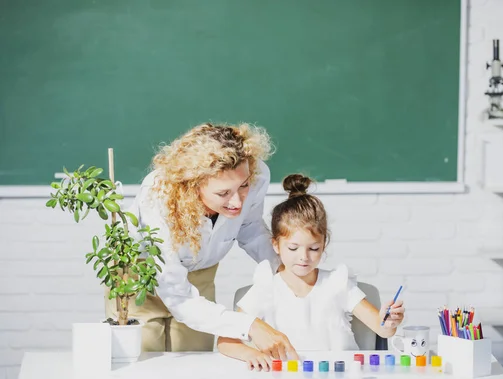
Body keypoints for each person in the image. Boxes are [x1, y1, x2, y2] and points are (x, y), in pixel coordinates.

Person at [104, 122, 298, 360]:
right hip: (139, 283)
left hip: (201, 273)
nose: (237, 202)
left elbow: (250, 228)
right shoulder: (158, 195)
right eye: (223, 193)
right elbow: (176, 294)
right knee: (144, 362)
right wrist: (250, 326)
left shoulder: (255, 173)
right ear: (192, 185)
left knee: (194, 361)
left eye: (243, 186)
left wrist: (287, 271)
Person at [217, 174, 405, 371]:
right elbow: (225, 341)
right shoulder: (266, 287)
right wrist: (251, 353)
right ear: (276, 245)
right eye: (293, 248)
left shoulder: (337, 282)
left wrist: (389, 321)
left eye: (313, 249)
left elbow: (382, 330)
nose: (303, 257)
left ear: (324, 245)